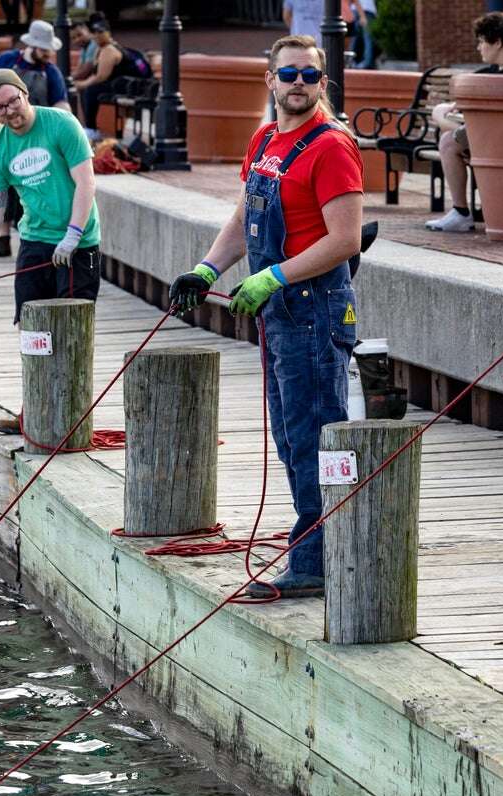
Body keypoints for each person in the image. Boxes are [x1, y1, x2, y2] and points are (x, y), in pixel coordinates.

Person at [168, 35, 363, 599]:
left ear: (322, 84)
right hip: (278, 313)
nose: (298, 83)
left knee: (315, 433)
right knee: (288, 433)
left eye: (309, 75)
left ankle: (319, 560)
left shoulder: (331, 148)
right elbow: (243, 217)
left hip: (315, 309)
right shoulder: (265, 140)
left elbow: (346, 239)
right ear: (270, 80)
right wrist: (207, 270)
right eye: (288, 74)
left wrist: (274, 275)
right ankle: (314, 542)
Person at [0, 69, 102, 433]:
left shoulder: (61, 125)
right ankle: (35, 409)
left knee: (71, 329)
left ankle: (74, 414)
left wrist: (73, 234)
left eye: (14, 101)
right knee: (33, 329)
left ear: (26, 94)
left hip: (77, 243)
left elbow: (85, 181)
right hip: (35, 241)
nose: (10, 112)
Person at [424, 12, 503, 233]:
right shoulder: (494, 70)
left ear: (497, 42)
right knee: (446, 124)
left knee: (448, 143)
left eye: (481, 41)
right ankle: (463, 211)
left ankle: (461, 213)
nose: (478, 47)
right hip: (497, 135)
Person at [0, 19, 71, 259]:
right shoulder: (7, 62)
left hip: (41, 136)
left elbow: (61, 103)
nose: (48, 55)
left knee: (33, 183)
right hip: (8, 133)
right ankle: (2, 239)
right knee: (2, 187)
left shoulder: (51, 72)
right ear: (32, 46)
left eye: (50, 51)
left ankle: (35, 234)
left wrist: (68, 127)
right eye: (45, 50)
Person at [72, 15, 152, 142]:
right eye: (94, 33)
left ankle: (91, 129)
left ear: (108, 33)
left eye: (100, 32)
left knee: (90, 90)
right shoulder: (103, 48)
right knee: (88, 88)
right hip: (131, 86)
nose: (97, 36)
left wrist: (81, 84)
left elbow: (100, 77)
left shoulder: (109, 50)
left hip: (132, 88)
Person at [353, 0, 377, 69]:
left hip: (359, 10)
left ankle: (352, 61)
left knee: (356, 38)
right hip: (365, 11)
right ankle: (367, 62)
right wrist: (362, 15)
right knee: (367, 39)